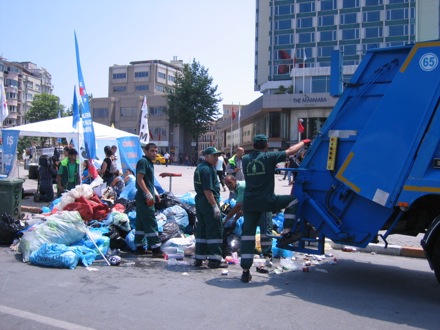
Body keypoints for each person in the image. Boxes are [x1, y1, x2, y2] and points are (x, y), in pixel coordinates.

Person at [239, 134, 311, 283]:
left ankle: (245, 271)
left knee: (248, 235)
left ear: (253, 145)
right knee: (293, 201)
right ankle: (286, 233)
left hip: (250, 202)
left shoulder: (245, 160)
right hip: (266, 201)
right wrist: (304, 142)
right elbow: (290, 151)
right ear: (266, 146)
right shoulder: (269, 157)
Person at [223, 175, 272, 272]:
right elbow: (241, 209)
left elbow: (238, 206)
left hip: (263, 206)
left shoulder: (240, 187)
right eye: (226, 184)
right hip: (254, 208)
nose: (228, 185)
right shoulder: (236, 190)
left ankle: (267, 256)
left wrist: (226, 219)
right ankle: (250, 253)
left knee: (265, 232)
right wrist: (234, 220)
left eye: (229, 183)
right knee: (247, 230)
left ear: (235, 181)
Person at [193, 146, 228, 269]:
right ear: (207, 156)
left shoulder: (200, 167)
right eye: (214, 156)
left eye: (218, 156)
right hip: (208, 203)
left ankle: (199, 257)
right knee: (214, 229)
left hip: (200, 202)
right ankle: (215, 259)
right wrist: (215, 206)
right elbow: (208, 190)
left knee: (202, 230)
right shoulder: (207, 169)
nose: (217, 158)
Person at [134, 143, 164, 258]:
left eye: (156, 151)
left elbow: (149, 181)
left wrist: (155, 193)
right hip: (144, 197)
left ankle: (139, 247)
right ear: (145, 151)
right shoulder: (143, 162)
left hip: (146, 196)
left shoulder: (149, 163)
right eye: (152, 151)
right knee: (151, 222)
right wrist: (147, 193)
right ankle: (156, 248)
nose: (155, 153)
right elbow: (140, 179)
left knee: (141, 223)